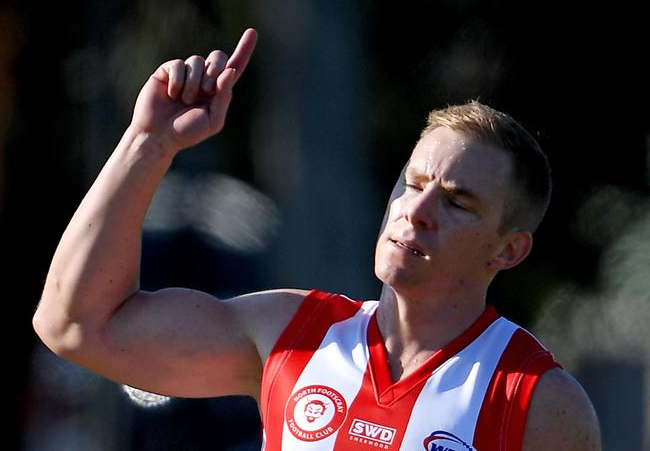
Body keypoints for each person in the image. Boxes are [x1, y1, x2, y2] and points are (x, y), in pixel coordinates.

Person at [33, 28, 601, 450]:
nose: (416, 210)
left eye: (457, 202)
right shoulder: (292, 333)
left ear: (508, 250)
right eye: (413, 183)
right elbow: (75, 325)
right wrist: (149, 142)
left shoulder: (537, 401)